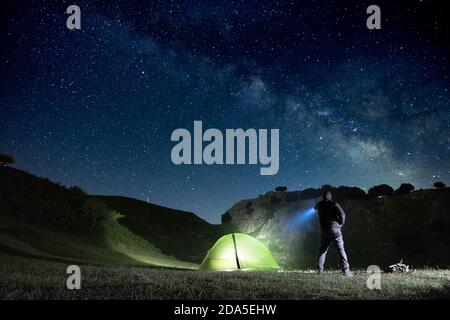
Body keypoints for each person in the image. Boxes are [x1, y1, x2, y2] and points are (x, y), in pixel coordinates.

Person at [314, 191, 352, 276]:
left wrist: (320, 203)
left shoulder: (320, 205)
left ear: (323, 197)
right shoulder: (334, 204)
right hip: (335, 230)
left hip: (324, 230)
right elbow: (342, 214)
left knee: (322, 251)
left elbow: (314, 208)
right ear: (330, 197)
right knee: (341, 250)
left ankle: (319, 270)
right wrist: (341, 223)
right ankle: (346, 271)